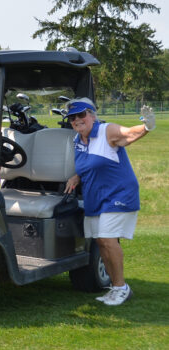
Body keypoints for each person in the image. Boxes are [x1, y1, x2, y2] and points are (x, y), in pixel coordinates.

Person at [63, 97, 155, 306]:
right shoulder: (78, 141)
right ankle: (115, 287)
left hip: (118, 195)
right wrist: (77, 177)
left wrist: (147, 126)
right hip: (96, 197)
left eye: (81, 115)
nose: (77, 120)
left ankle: (122, 287)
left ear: (92, 116)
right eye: (72, 117)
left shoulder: (106, 131)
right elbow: (89, 166)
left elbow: (128, 135)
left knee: (107, 238)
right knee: (100, 241)